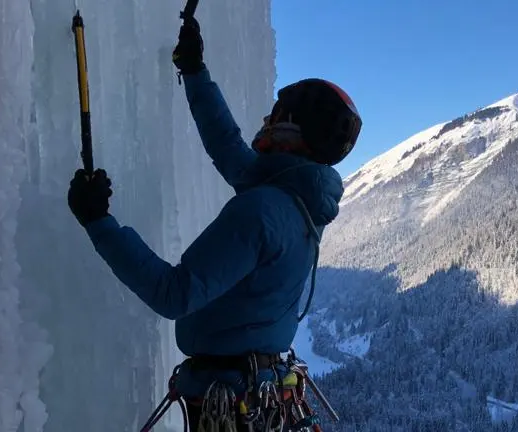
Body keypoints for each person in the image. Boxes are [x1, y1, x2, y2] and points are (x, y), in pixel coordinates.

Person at [67, 16, 361, 431]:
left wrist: (99, 223)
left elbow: (175, 294)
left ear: (294, 129)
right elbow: (231, 152)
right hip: (256, 391)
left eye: (277, 114)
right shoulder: (297, 201)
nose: (266, 119)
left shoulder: (262, 211)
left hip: (229, 397)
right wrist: (194, 72)